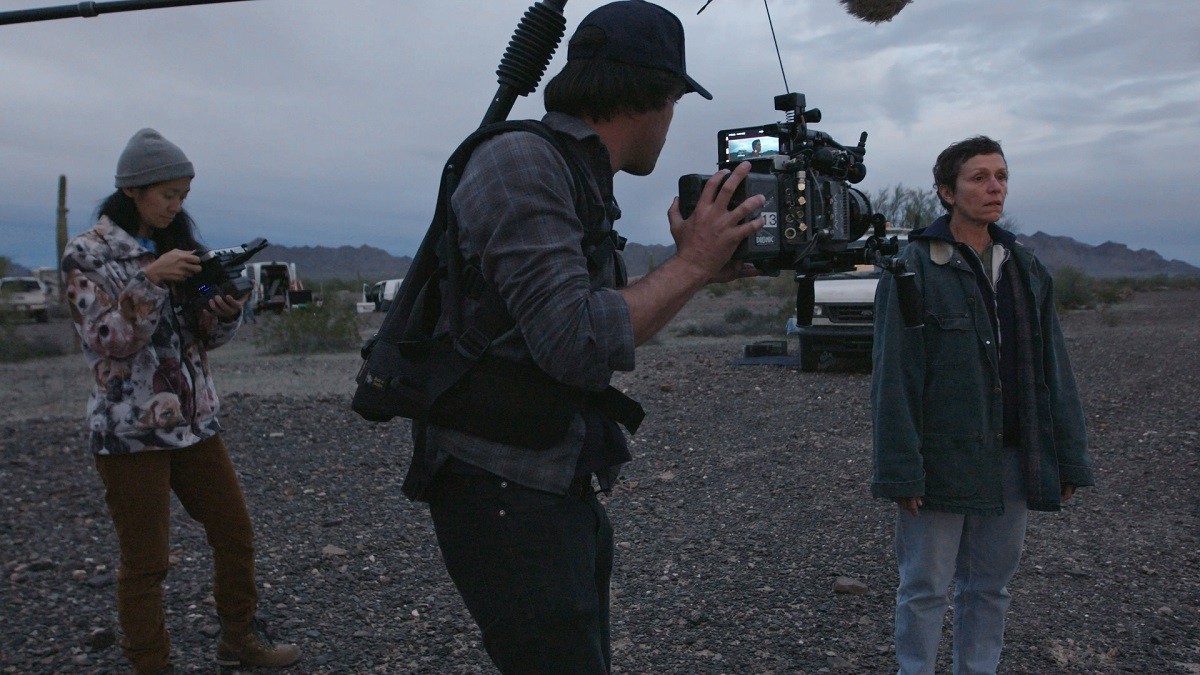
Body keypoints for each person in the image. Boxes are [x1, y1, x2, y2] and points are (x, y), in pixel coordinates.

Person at [399, 2, 764, 672]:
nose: (671, 121)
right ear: (654, 95)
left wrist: (696, 274)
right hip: (504, 486)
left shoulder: (575, 172)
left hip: (551, 475)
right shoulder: (524, 164)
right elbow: (575, 341)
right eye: (676, 102)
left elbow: (598, 325)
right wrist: (689, 264)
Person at [61, 128, 300, 674]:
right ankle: (151, 664)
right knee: (146, 562)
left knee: (235, 535)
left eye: (183, 195)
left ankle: (238, 639)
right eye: (167, 194)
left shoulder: (181, 248)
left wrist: (222, 311)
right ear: (134, 190)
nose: (175, 205)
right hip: (128, 433)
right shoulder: (88, 253)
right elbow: (107, 342)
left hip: (195, 425)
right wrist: (148, 282)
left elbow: (203, 339)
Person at [870, 135, 1094, 674]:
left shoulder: (1024, 267)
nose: (994, 187)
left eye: (1001, 176)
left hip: (1013, 456)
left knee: (990, 588)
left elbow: (1052, 369)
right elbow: (893, 379)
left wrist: (1067, 456)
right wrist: (901, 471)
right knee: (925, 586)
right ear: (947, 192)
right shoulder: (913, 269)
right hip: (941, 458)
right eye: (979, 177)